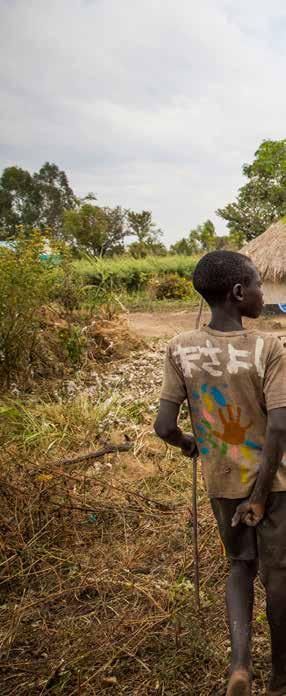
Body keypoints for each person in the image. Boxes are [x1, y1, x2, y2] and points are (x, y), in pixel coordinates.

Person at [154, 250, 286, 696]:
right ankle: (281, 677)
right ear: (236, 292)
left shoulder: (180, 348)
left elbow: (164, 427)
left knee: (239, 566)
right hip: (275, 485)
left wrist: (192, 445)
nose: (262, 294)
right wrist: (262, 495)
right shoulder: (269, 346)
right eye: (256, 286)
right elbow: (282, 425)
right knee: (279, 573)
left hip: (222, 481)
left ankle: (239, 667)